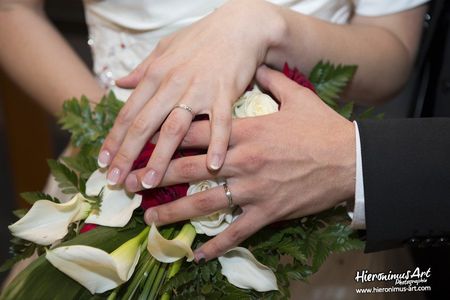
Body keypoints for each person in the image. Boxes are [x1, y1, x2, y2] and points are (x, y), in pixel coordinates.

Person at [0, 0, 429, 298]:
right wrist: (128, 132)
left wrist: (269, 26)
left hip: (314, 173)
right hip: (117, 164)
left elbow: (392, 46)